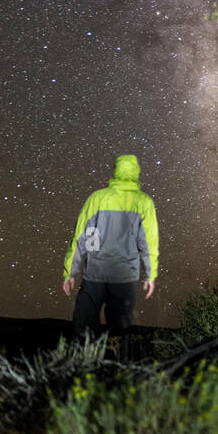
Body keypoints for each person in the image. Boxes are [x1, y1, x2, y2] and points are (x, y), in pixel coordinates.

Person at [62, 153, 159, 359]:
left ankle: (84, 373)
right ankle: (118, 376)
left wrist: (70, 272)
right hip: (125, 279)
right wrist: (150, 275)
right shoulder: (144, 203)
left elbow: (79, 236)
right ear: (136, 171)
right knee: (120, 334)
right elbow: (149, 243)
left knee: (83, 330)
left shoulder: (97, 198)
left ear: (116, 170)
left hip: (94, 276)